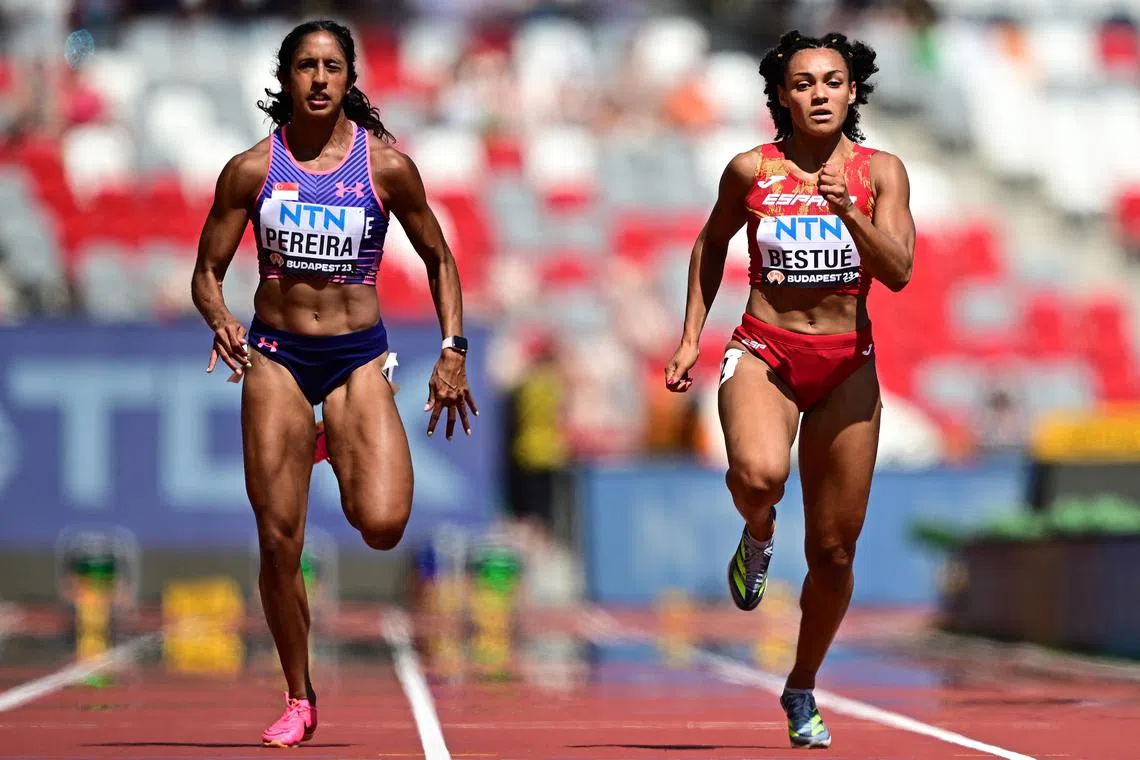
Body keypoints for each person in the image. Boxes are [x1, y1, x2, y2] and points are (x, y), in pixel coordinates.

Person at [190, 19, 478, 748]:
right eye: (305, 67)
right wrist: (219, 316)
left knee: (382, 526)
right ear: (285, 78)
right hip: (277, 357)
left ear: (351, 79)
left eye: (332, 67)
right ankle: (299, 694)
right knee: (278, 538)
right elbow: (206, 273)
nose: (319, 79)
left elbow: (441, 258)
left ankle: (331, 440)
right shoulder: (252, 170)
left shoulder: (386, 168)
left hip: (354, 358)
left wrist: (453, 348)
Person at [664, 30, 915, 748]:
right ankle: (757, 531)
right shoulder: (751, 169)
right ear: (781, 96)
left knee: (835, 552)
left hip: (846, 364)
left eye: (832, 82)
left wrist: (849, 211)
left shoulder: (882, 172)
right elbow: (710, 244)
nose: (819, 94)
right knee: (758, 474)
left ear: (853, 91)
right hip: (765, 349)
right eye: (803, 83)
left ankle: (801, 685)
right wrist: (689, 336)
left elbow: (898, 271)